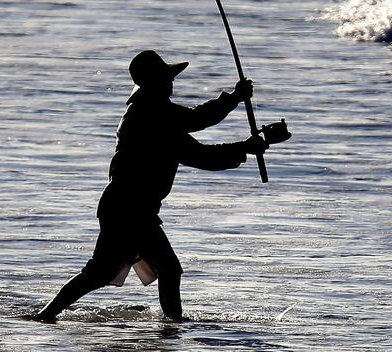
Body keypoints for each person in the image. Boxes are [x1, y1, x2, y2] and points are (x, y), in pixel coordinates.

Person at [34, 49, 277, 322]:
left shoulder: (153, 115)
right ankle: (172, 327)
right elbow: (198, 126)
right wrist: (234, 103)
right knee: (161, 270)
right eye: (166, 78)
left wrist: (247, 143)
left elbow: (199, 151)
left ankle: (47, 315)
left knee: (104, 273)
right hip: (130, 210)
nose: (171, 83)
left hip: (128, 209)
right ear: (154, 82)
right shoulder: (150, 113)